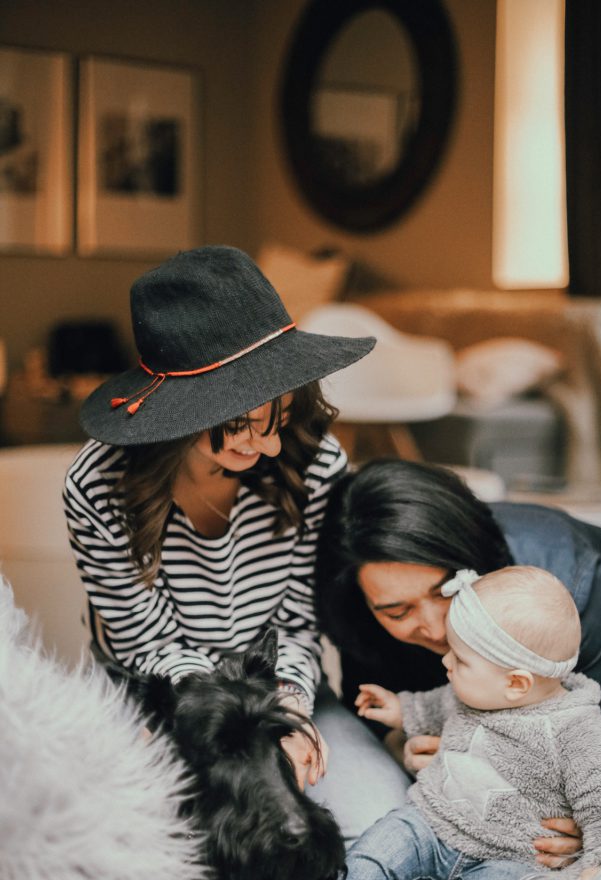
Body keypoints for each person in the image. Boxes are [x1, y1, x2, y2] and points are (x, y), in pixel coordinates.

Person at [63, 245, 408, 832]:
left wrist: (290, 716)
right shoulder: (96, 486)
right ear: (181, 416)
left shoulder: (314, 462)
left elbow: (299, 623)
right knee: (164, 837)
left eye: (279, 414)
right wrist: (251, 739)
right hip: (160, 694)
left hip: (283, 688)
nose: (271, 445)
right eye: (241, 426)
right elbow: (149, 647)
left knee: (381, 816)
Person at [275, 565, 601, 880]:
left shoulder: (577, 731)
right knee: (380, 845)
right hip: (431, 826)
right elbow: (436, 704)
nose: (445, 661)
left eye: (460, 659)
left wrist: (598, 862)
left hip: (509, 854)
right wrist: (401, 709)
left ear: (516, 684)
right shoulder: (477, 688)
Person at [314, 458, 601, 861]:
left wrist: (580, 824)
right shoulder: (358, 612)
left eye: (445, 591)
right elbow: (372, 709)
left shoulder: (560, 583)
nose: (436, 628)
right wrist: (402, 743)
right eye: (397, 612)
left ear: (468, 558)